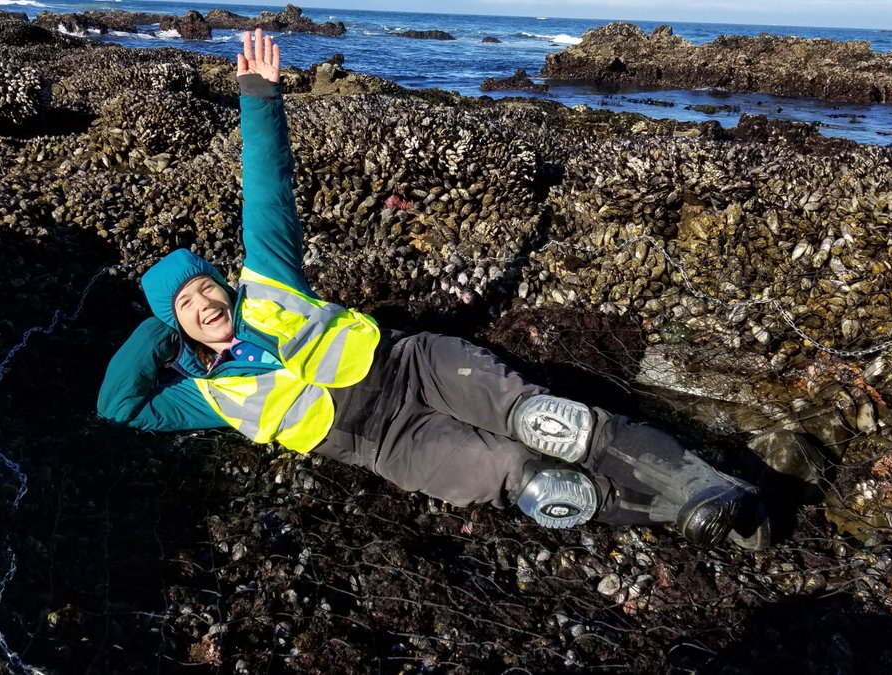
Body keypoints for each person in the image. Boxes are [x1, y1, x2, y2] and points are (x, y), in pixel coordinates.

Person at [97, 30, 770, 549]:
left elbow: (265, 191)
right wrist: (161, 321)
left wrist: (258, 97)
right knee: (531, 480)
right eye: (188, 306)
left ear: (223, 282)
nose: (205, 304)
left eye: (204, 289)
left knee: (548, 421)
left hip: (411, 364)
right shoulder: (204, 397)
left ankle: (703, 486)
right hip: (388, 446)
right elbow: (118, 406)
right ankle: (690, 513)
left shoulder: (266, 282)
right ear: (176, 328)